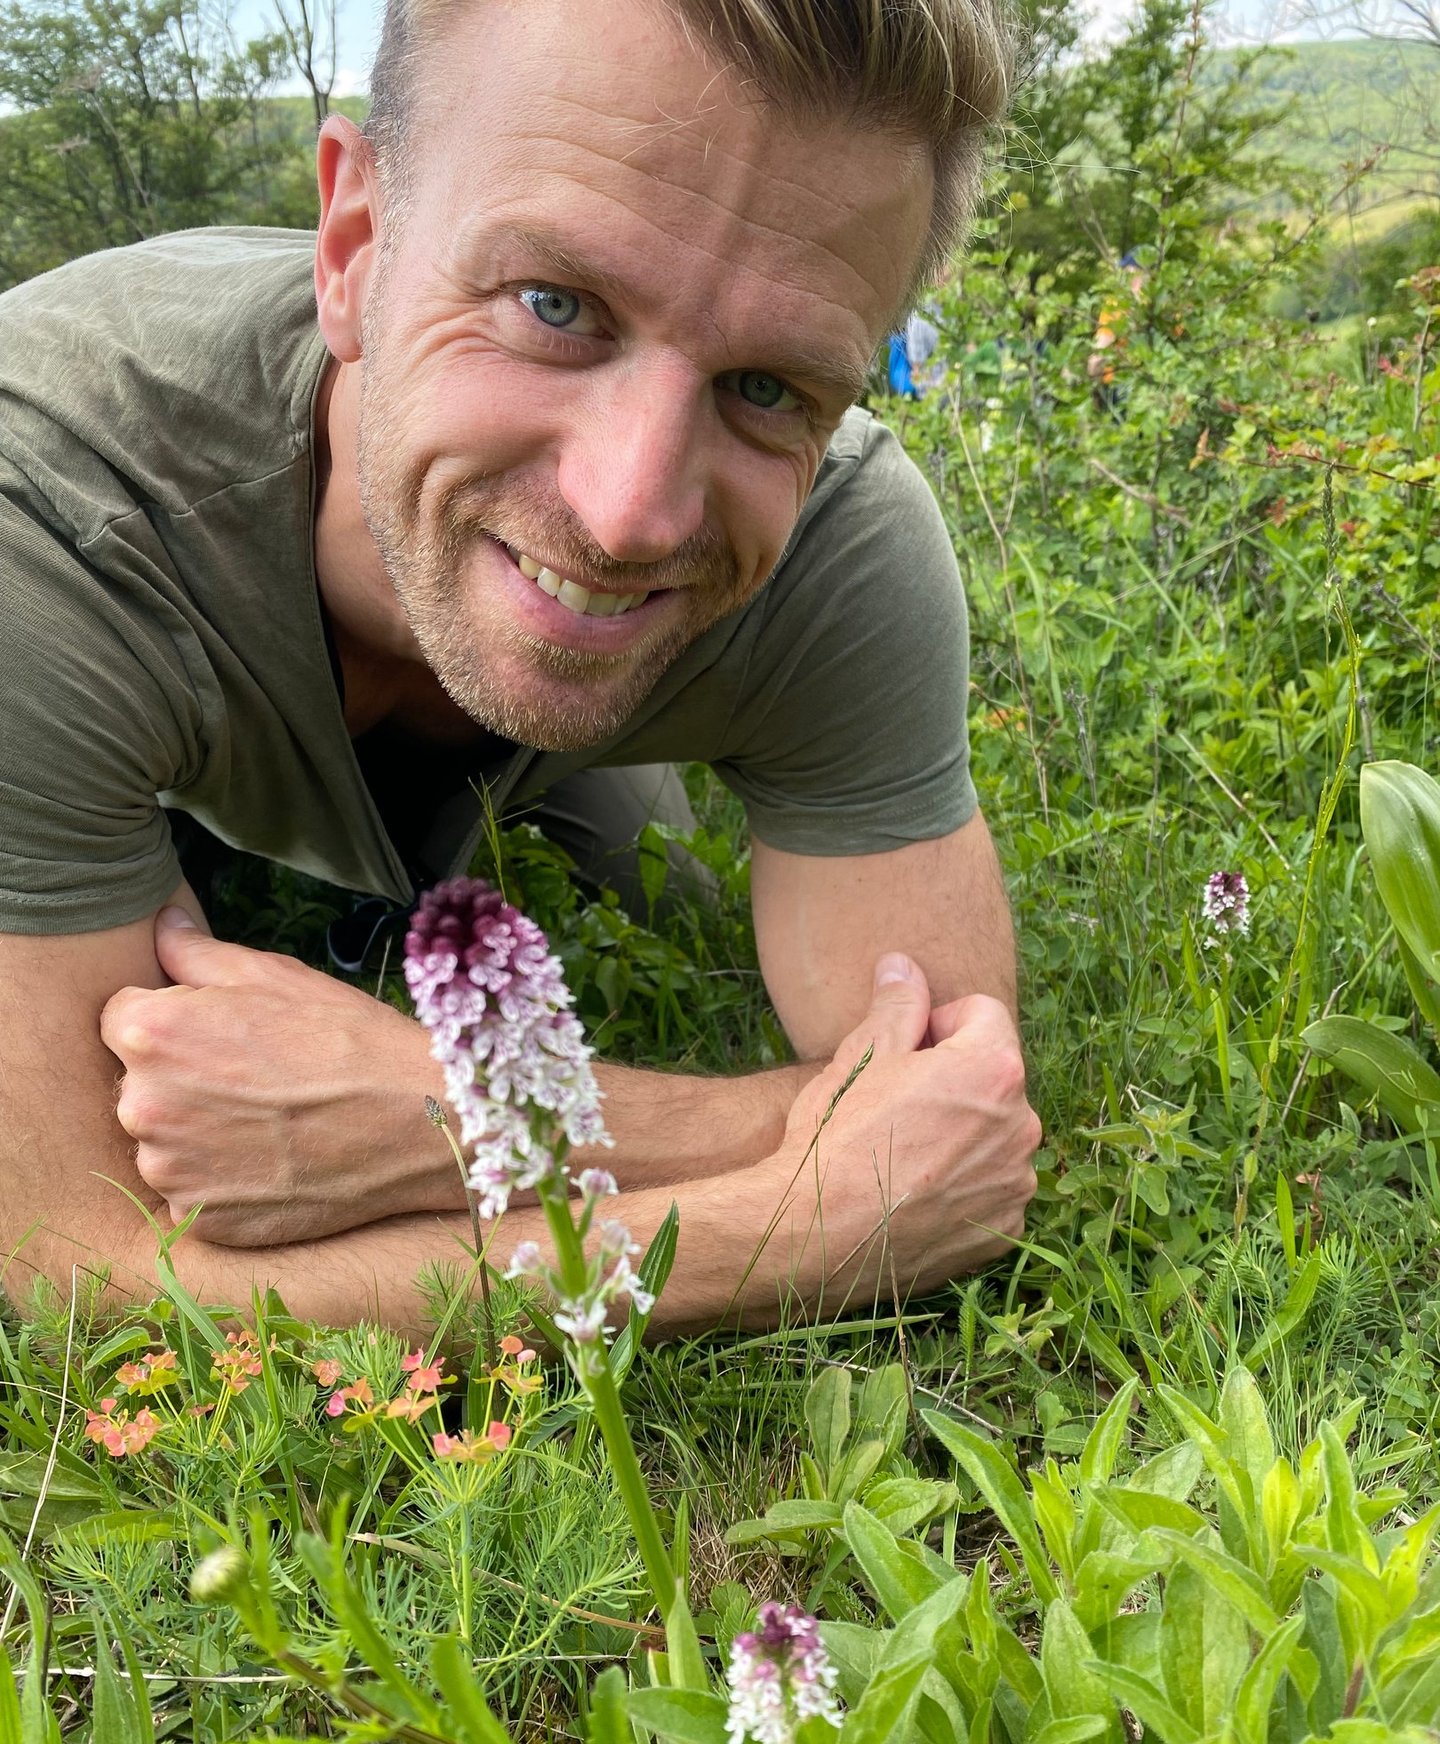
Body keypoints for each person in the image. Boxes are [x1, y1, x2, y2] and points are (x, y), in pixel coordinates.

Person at [0, 0, 1042, 1336]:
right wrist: (812, 1222)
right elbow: (77, 1274)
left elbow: (955, 1108)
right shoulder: (53, 518)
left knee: (636, 886)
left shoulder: (844, 546)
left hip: (534, 744)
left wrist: (440, 1107)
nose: (631, 514)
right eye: (557, 307)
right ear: (355, 247)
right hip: (147, 703)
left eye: (768, 389)